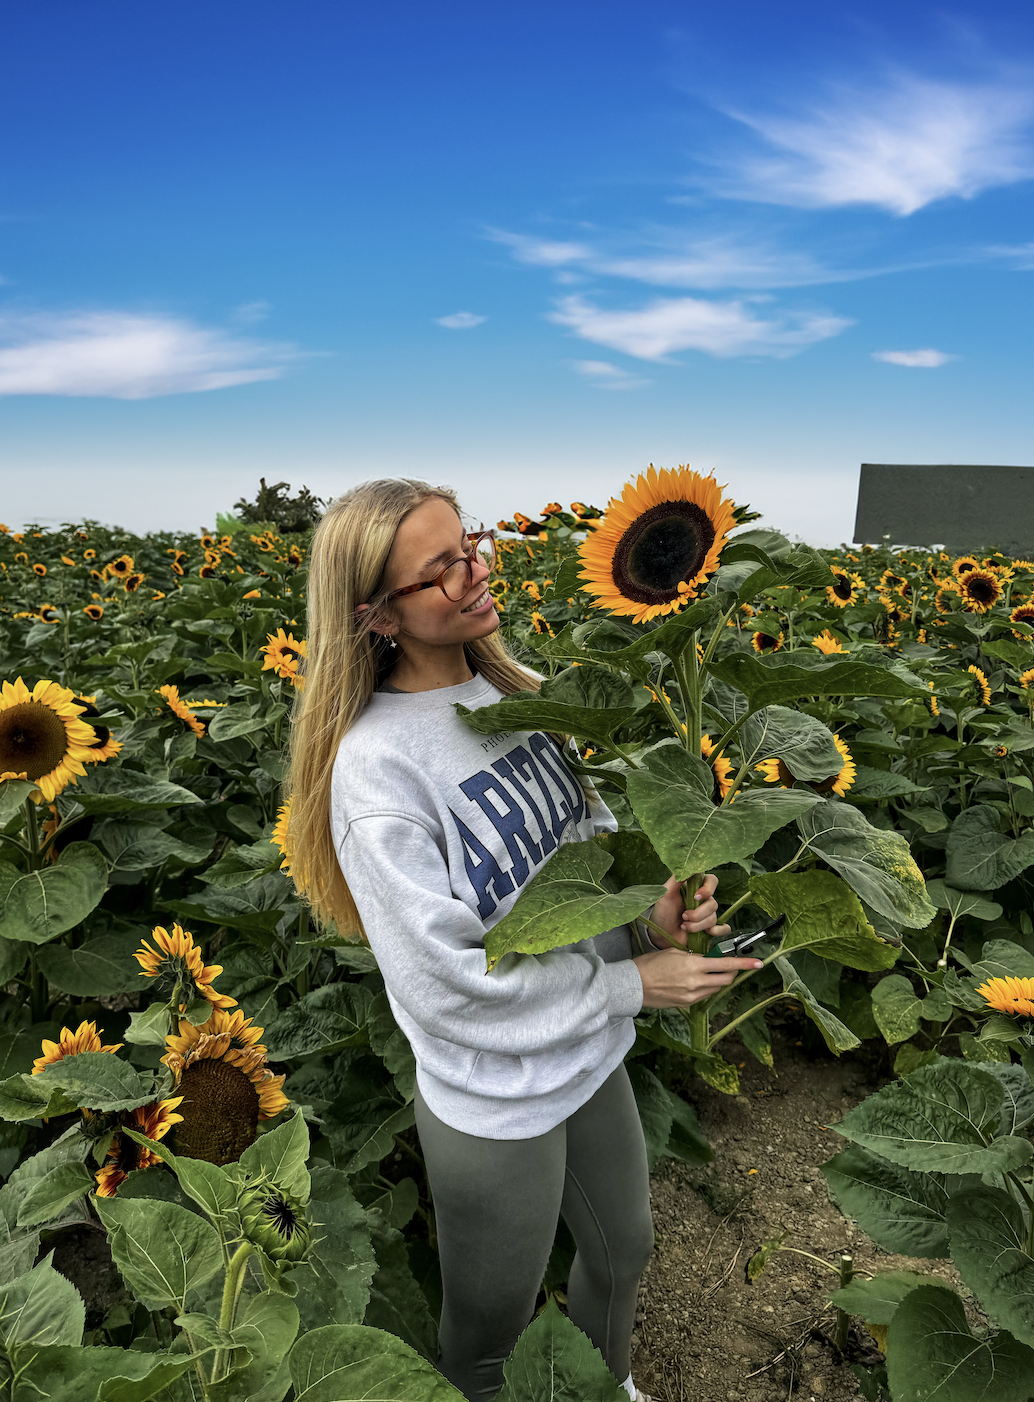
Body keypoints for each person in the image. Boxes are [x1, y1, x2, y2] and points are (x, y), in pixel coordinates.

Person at [287, 479, 764, 1402]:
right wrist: (637, 987)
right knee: (488, 1333)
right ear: (375, 615)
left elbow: (586, 864)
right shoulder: (379, 770)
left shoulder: (525, 696)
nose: (476, 573)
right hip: (496, 1100)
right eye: (442, 571)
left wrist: (650, 924)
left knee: (625, 1251)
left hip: (587, 1055)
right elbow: (444, 987)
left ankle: (601, 1387)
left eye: (473, 546)